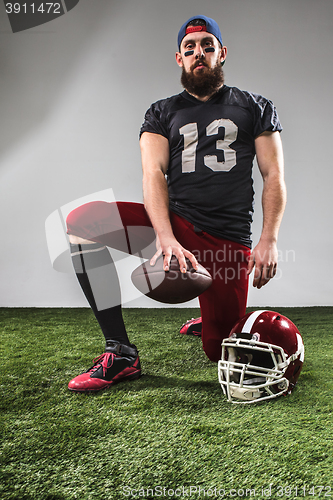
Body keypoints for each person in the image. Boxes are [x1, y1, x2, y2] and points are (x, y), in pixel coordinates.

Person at [65, 15, 286, 392]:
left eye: (207, 46)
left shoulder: (254, 106)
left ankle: (212, 318)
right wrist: (165, 237)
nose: (198, 53)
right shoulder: (162, 111)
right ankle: (120, 352)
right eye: (190, 48)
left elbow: (274, 177)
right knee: (81, 221)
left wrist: (269, 239)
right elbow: (152, 174)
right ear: (179, 58)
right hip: (174, 227)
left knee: (220, 352)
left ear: (222, 53)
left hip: (226, 241)